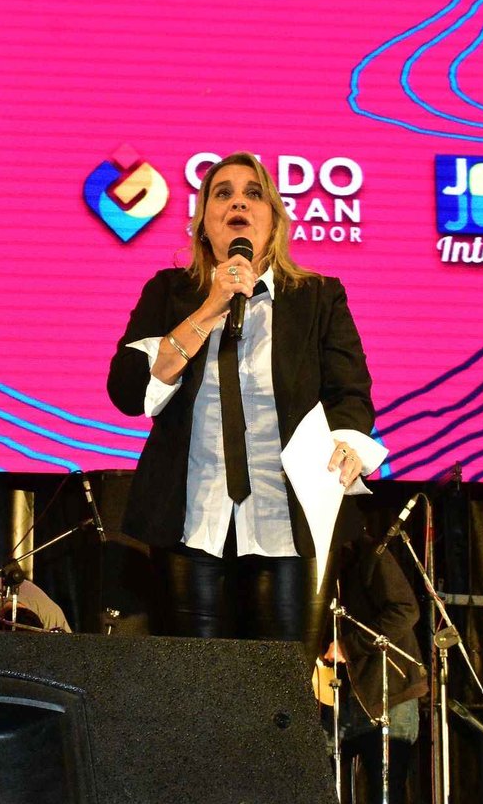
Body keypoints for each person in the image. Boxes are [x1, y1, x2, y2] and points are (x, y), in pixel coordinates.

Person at [106, 151, 374, 643]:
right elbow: (127, 391)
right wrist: (210, 307)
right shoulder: (169, 292)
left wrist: (348, 441)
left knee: (282, 681)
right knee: (197, 679)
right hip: (190, 522)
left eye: (254, 194)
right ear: (203, 223)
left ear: (274, 221)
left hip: (289, 520)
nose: (238, 203)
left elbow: (350, 393)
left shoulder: (318, 297)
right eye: (222, 193)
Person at [322, 512, 428, 804]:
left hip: (387, 695)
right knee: (320, 788)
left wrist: (349, 646)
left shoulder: (372, 556)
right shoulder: (326, 568)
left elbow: (405, 610)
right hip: (344, 698)